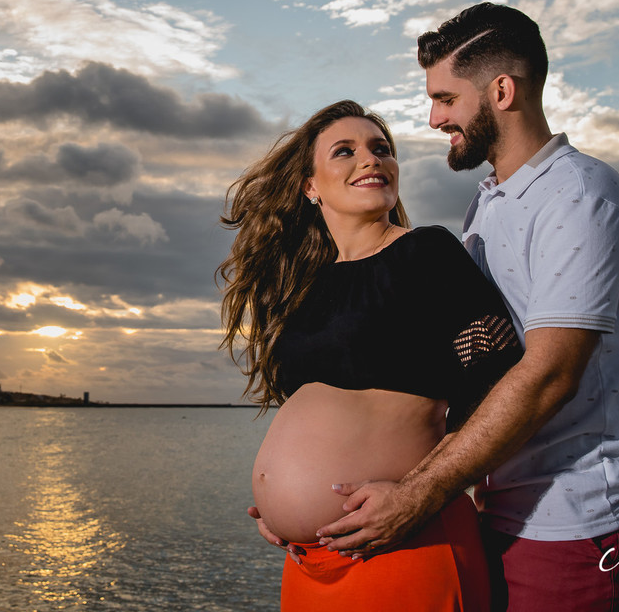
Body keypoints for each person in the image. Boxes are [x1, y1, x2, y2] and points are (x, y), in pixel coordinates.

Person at [314, 3, 619, 611]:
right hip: (511, 503)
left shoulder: (579, 196)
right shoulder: (491, 202)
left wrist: (418, 494)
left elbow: (548, 376)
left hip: (589, 517)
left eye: (446, 99)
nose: (433, 119)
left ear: (501, 90)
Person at [220, 99, 522, 611]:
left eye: (381, 149)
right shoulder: (305, 288)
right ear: (309, 187)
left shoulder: (426, 253)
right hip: (307, 558)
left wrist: (421, 490)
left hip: (404, 540)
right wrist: (283, 505)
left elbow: (499, 374)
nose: (371, 160)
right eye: (346, 151)